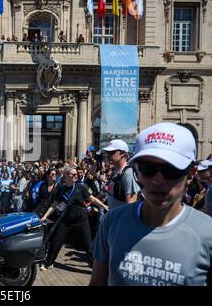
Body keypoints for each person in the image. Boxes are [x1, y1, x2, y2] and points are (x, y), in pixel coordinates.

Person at [90, 122, 212, 286]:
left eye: (171, 170)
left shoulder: (207, 234)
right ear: (137, 173)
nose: (158, 180)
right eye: (148, 169)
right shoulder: (112, 222)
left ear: (191, 174)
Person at [40, 166, 108, 270]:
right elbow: (54, 204)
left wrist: (104, 206)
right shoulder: (61, 189)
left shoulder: (80, 187)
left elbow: (92, 199)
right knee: (56, 240)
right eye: (74, 174)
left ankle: (97, 267)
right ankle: (48, 263)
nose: (77, 176)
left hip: (81, 219)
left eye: (77, 174)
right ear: (66, 176)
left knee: (87, 244)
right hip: (66, 220)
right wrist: (45, 216)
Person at [102, 139, 140, 210]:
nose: (107, 155)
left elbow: (131, 204)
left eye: (111, 152)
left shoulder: (128, 173)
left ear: (122, 153)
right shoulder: (116, 172)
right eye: (107, 152)